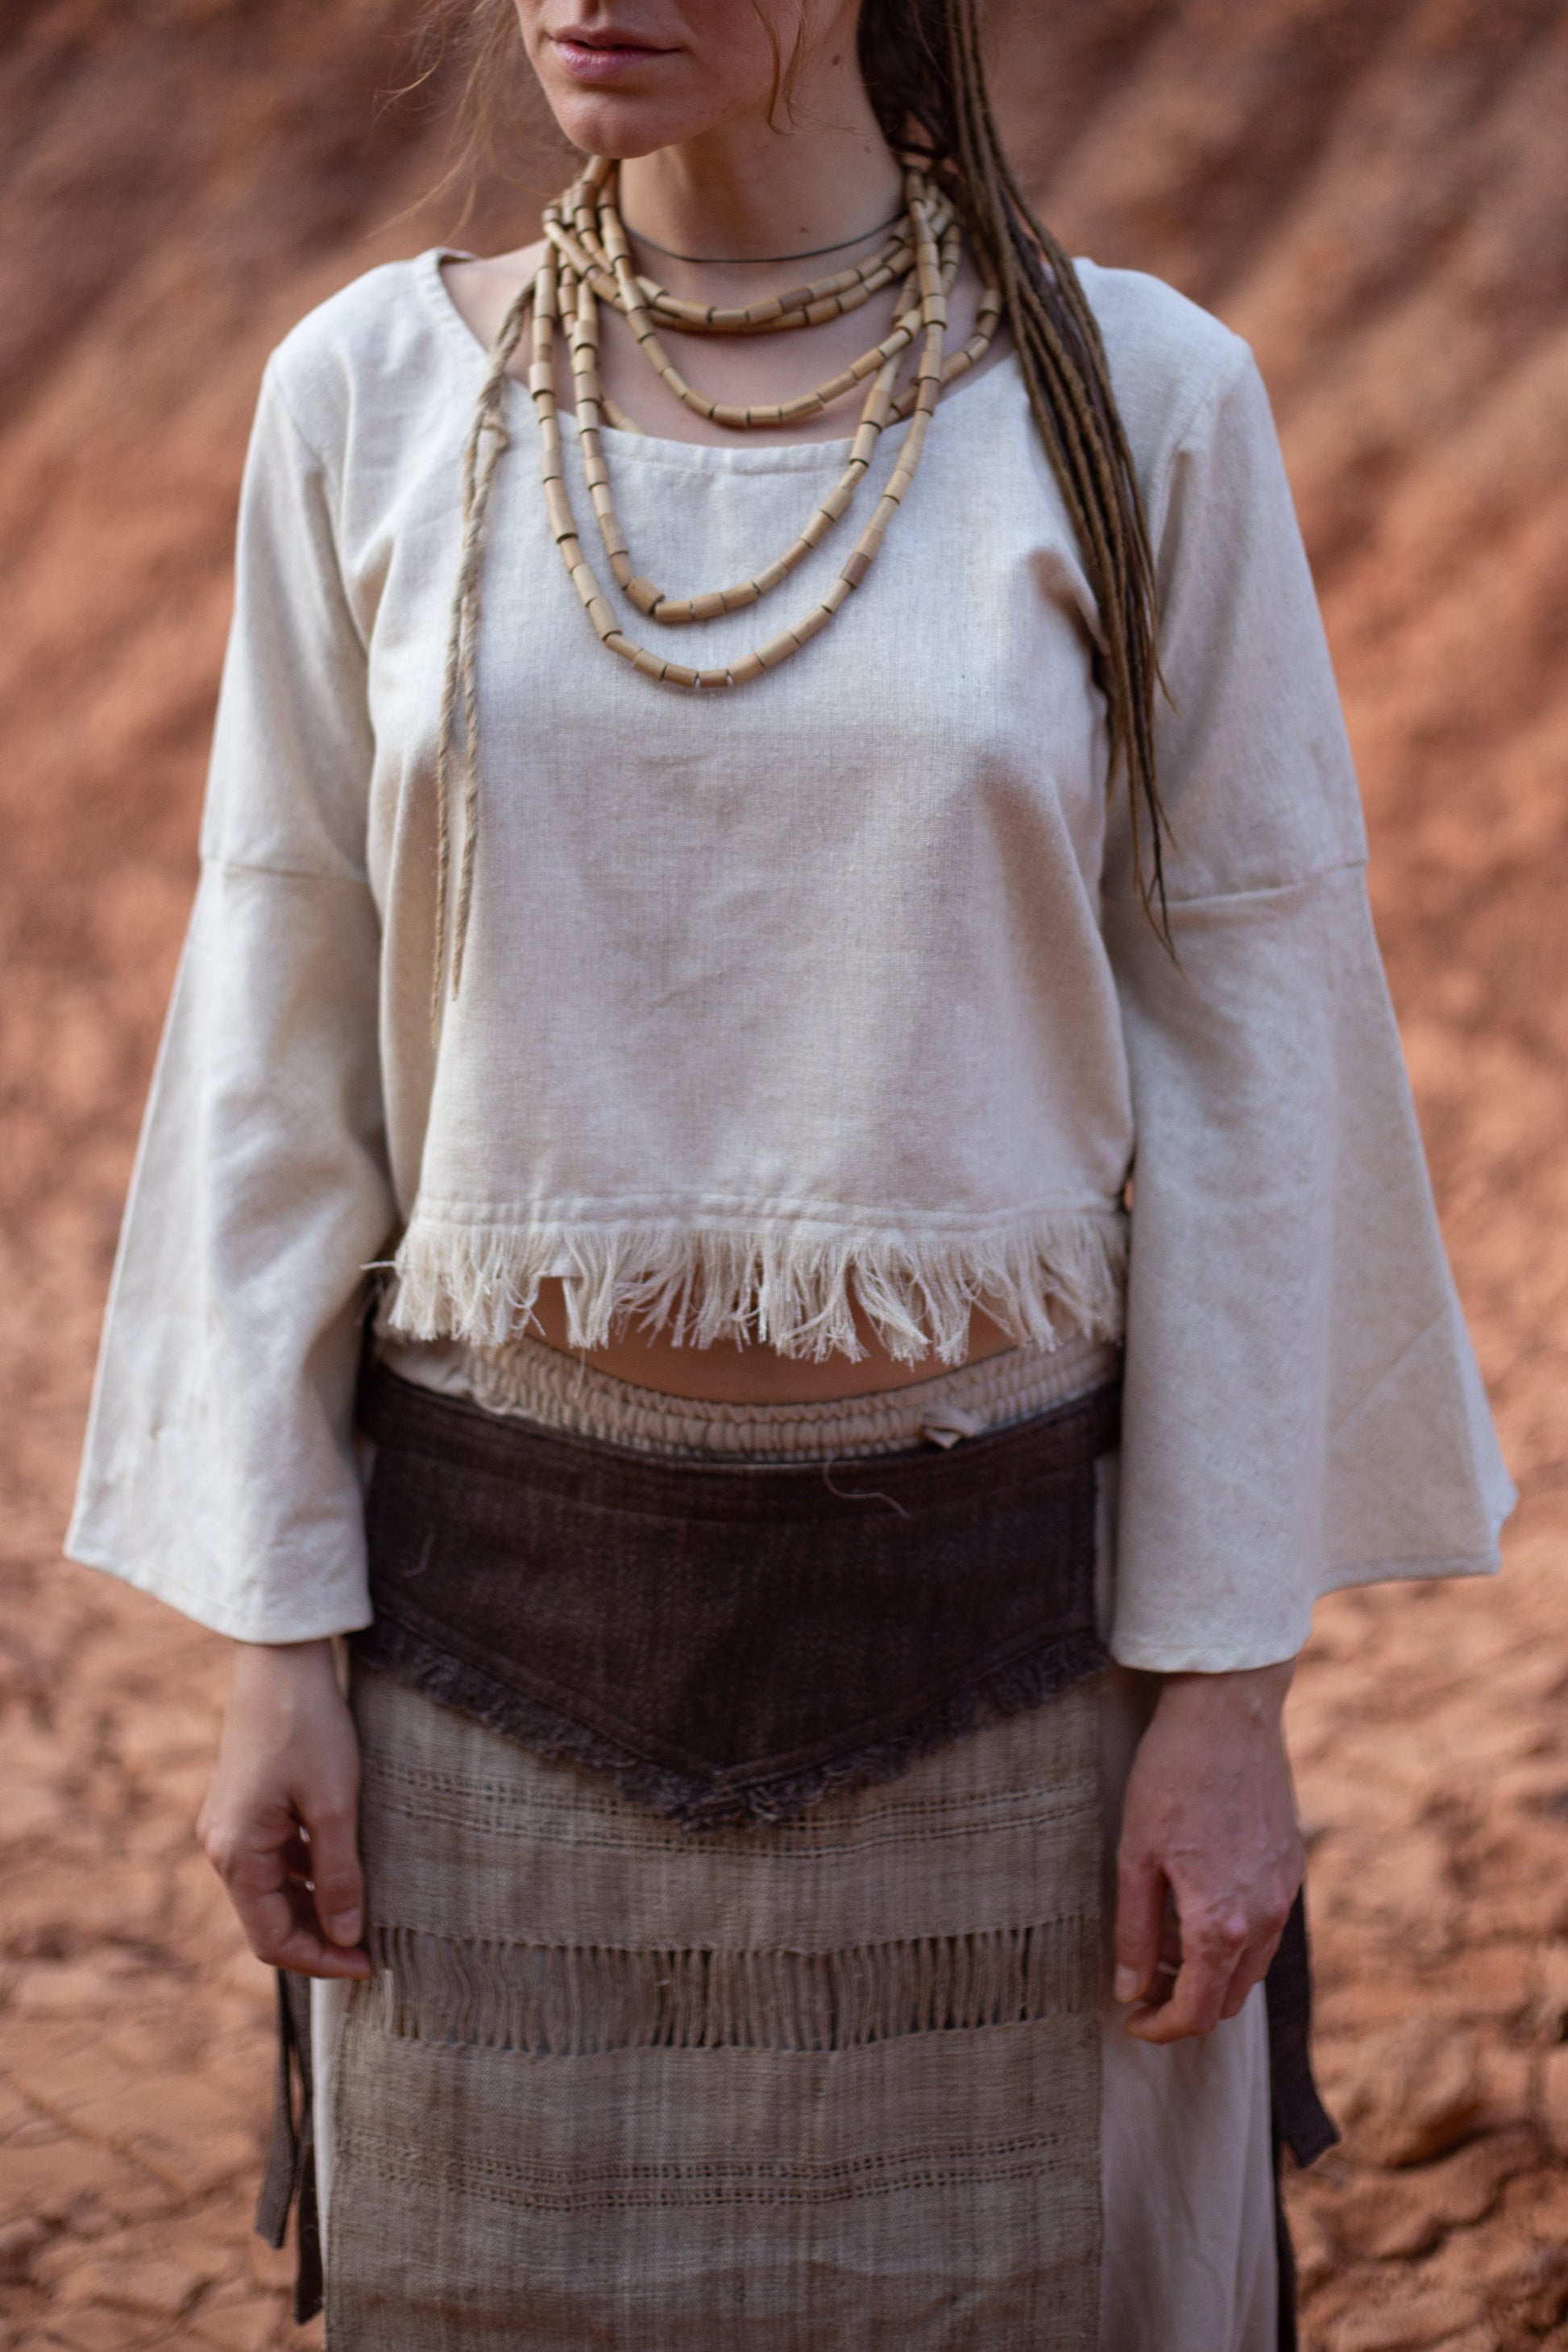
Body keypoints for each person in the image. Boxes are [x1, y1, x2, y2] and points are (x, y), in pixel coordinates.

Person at [67, 2, 1513, 2345]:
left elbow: (1257, 1050)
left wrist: (1224, 1702)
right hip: (480, 1679)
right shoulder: (368, 394)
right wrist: (275, 1647)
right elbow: (273, 1036)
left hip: (1014, 1675)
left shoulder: (1131, 400)